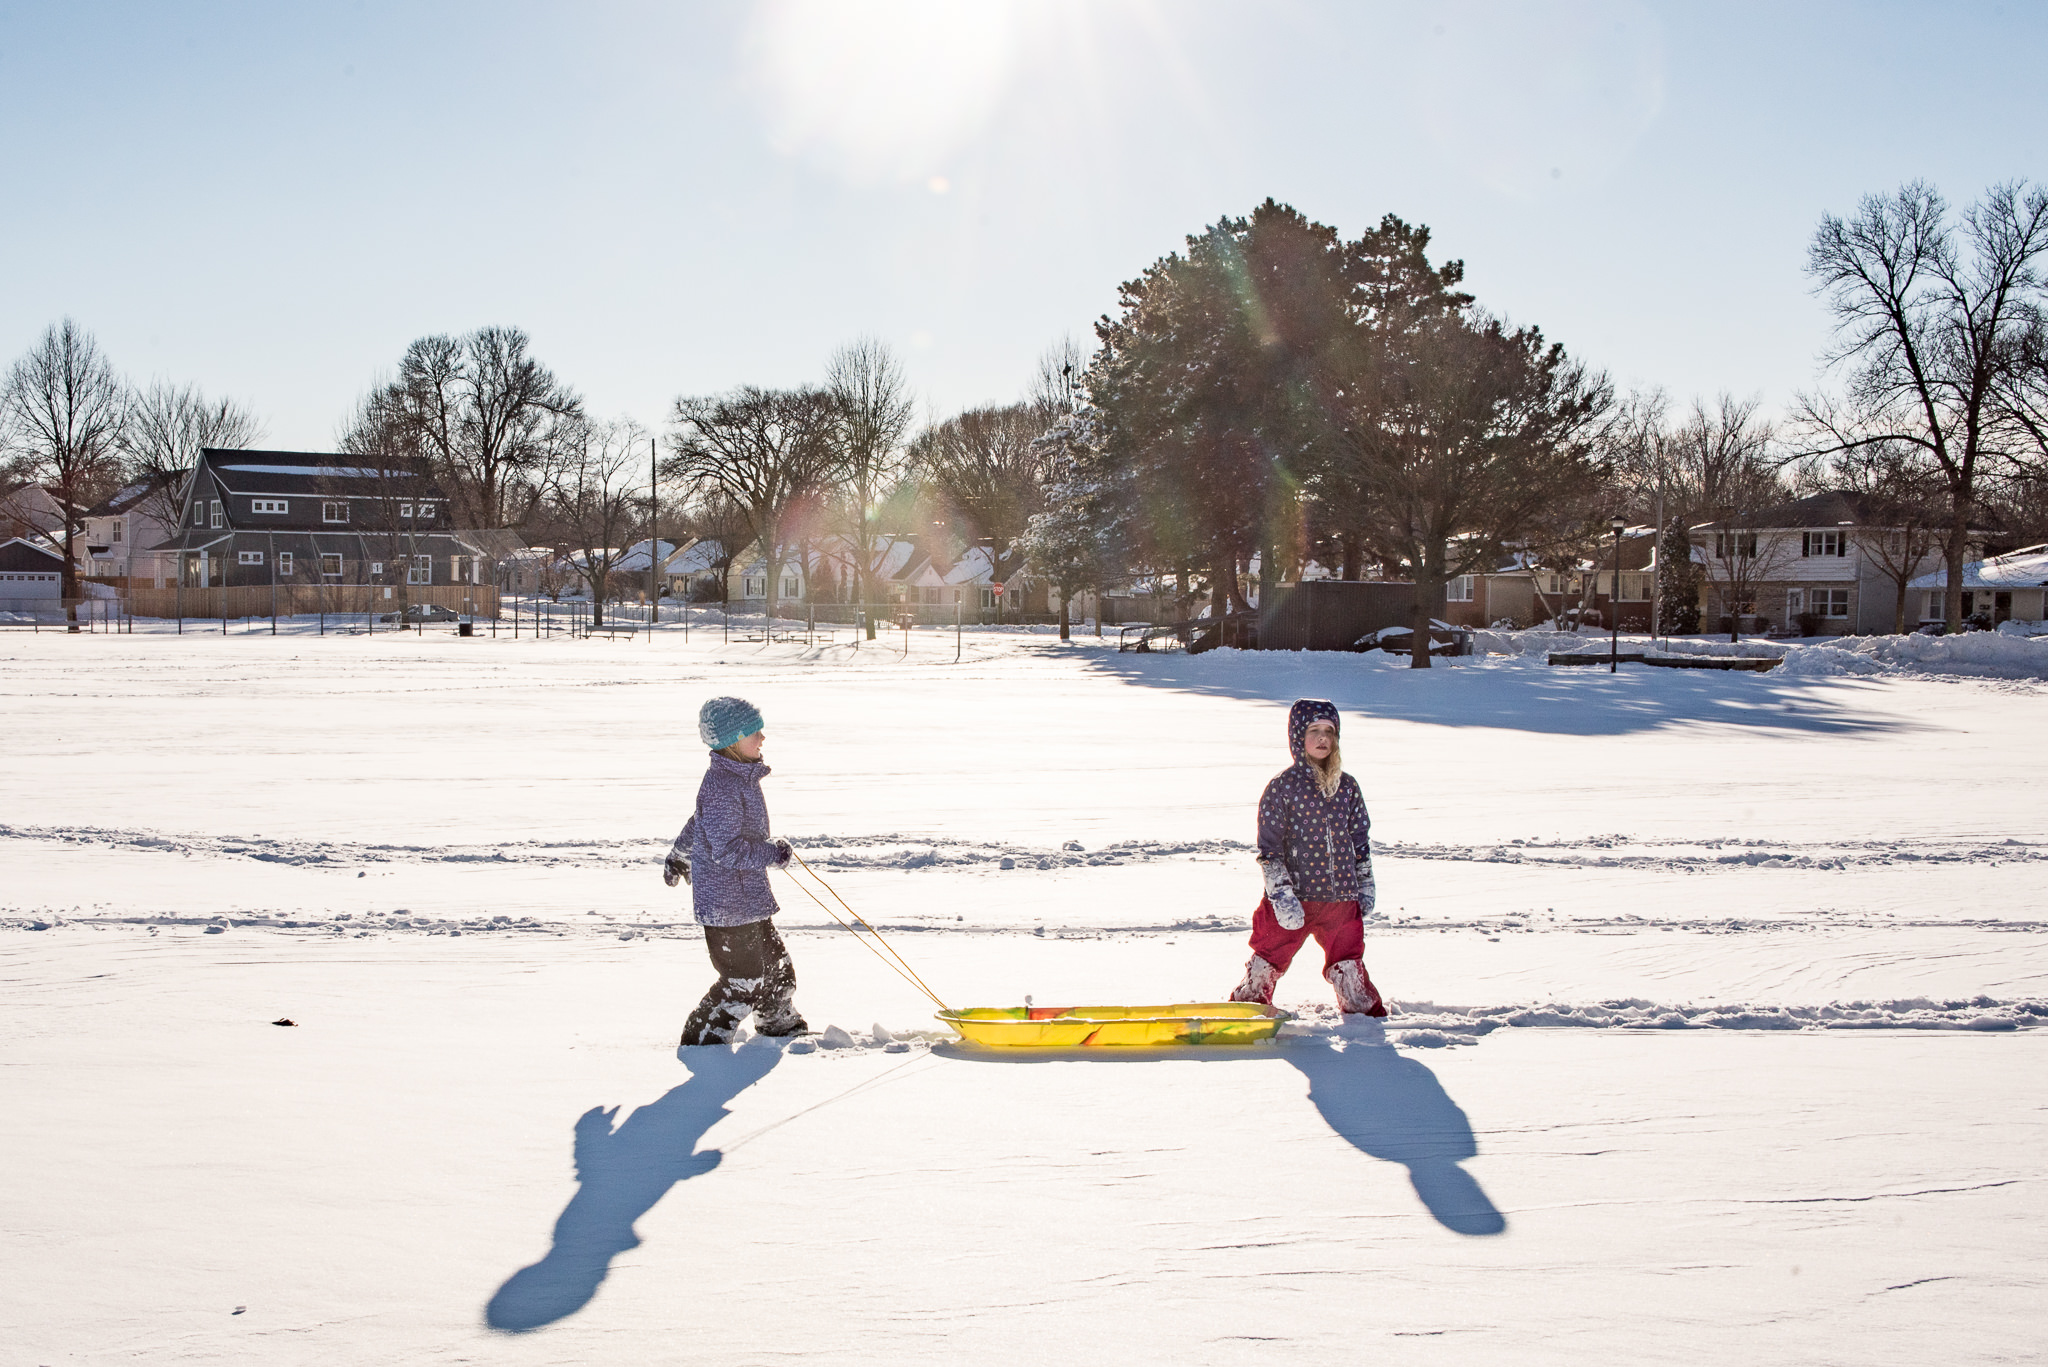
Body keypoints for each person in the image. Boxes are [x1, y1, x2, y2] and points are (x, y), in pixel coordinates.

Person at [1228, 698, 1388, 1017]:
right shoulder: (1283, 788)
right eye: (1314, 730)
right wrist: (1280, 894)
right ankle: (1249, 1007)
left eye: (1329, 731)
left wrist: (1364, 882)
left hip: (1340, 899)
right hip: (1294, 898)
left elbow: (1360, 840)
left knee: (1349, 959)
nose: (1322, 739)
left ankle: (1363, 1020)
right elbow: (1270, 849)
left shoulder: (1347, 787)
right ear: (1298, 737)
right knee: (1269, 952)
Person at [664, 695, 807, 1045]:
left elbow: (700, 824)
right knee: (743, 982)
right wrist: (772, 854)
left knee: (778, 972)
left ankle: (779, 1026)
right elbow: (727, 851)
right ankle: (702, 1044)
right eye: (753, 732)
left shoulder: (738, 779)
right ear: (731, 741)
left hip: (747, 899)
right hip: (727, 906)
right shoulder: (722, 787)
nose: (762, 738)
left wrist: (680, 853)